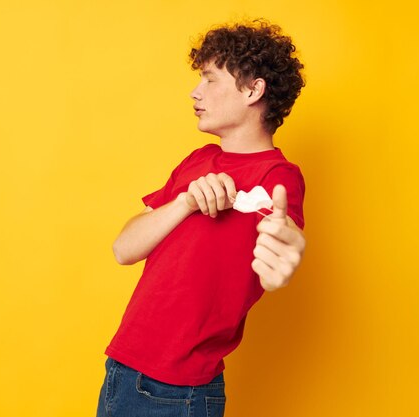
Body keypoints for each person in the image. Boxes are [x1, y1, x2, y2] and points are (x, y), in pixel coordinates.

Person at [96, 20, 307, 417]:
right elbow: (123, 249)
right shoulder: (197, 161)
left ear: (252, 90)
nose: (196, 92)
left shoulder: (277, 177)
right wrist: (185, 203)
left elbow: (283, 232)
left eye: (210, 79)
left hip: (178, 390)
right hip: (121, 367)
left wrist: (286, 247)